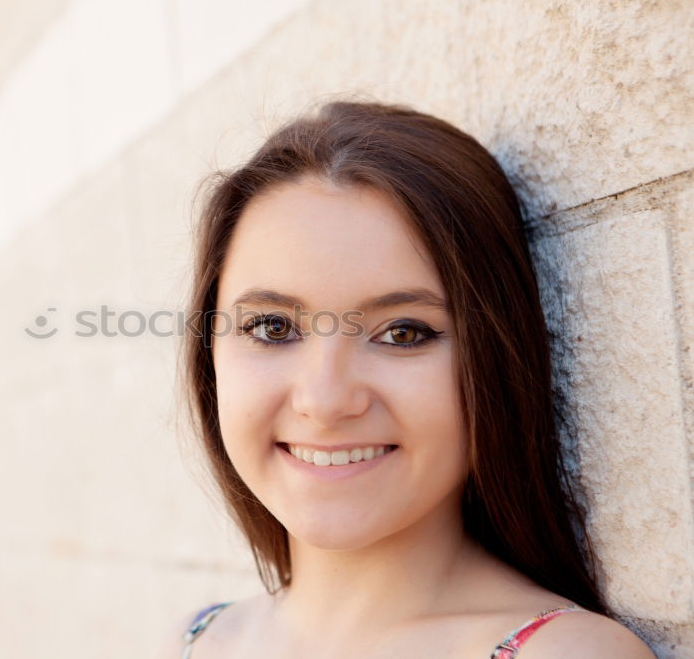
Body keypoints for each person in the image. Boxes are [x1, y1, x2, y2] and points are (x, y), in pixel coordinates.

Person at [156, 101, 657, 658]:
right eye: (273, 328)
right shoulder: (196, 640)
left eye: (403, 333)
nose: (325, 400)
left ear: (494, 361)